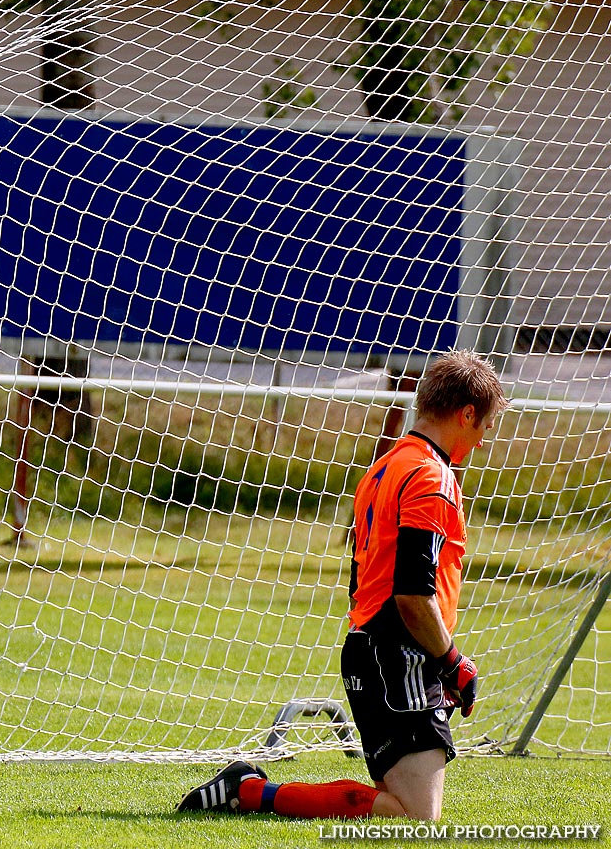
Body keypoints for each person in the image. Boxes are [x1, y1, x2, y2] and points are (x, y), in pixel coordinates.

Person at [177, 349, 508, 820]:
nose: (479, 443)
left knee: (402, 808)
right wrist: (451, 661)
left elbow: (363, 576)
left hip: (377, 648)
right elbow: (413, 593)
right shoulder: (430, 477)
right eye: (482, 429)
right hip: (398, 655)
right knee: (416, 818)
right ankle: (250, 792)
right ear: (467, 413)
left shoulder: (384, 467)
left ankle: (249, 791)